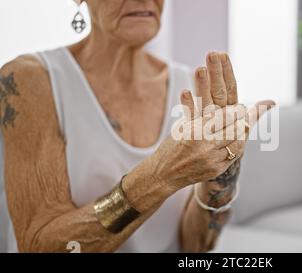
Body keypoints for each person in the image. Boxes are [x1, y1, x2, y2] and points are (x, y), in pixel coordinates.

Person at [0, 0, 274, 252]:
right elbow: (39, 246)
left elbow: (194, 247)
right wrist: (161, 174)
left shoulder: (189, 86)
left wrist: (222, 175)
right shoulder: (28, 81)